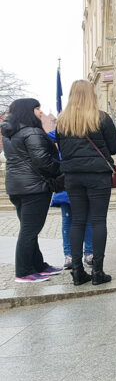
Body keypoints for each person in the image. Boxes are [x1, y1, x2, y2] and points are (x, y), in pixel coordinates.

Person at [57, 80, 116, 285]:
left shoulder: (62, 121)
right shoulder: (101, 117)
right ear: (91, 94)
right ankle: (98, 272)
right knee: (98, 221)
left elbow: (63, 150)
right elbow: (114, 147)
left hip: (73, 177)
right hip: (97, 175)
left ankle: (77, 272)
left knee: (77, 220)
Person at [2, 98, 62, 283]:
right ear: (29, 111)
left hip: (16, 188)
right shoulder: (32, 132)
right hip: (34, 188)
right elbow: (43, 162)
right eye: (38, 108)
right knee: (29, 231)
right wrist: (62, 168)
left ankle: (38, 266)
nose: (41, 112)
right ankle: (24, 271)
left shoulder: (9, 133)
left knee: (29, 229)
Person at [47, 129, 94, 270]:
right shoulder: (63, 128)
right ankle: (69, 255)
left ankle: (89, 252)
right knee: (68, 220)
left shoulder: (88, 126)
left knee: (88, 219)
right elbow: (45, 138)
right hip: (67, 177)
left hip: (85, 175)